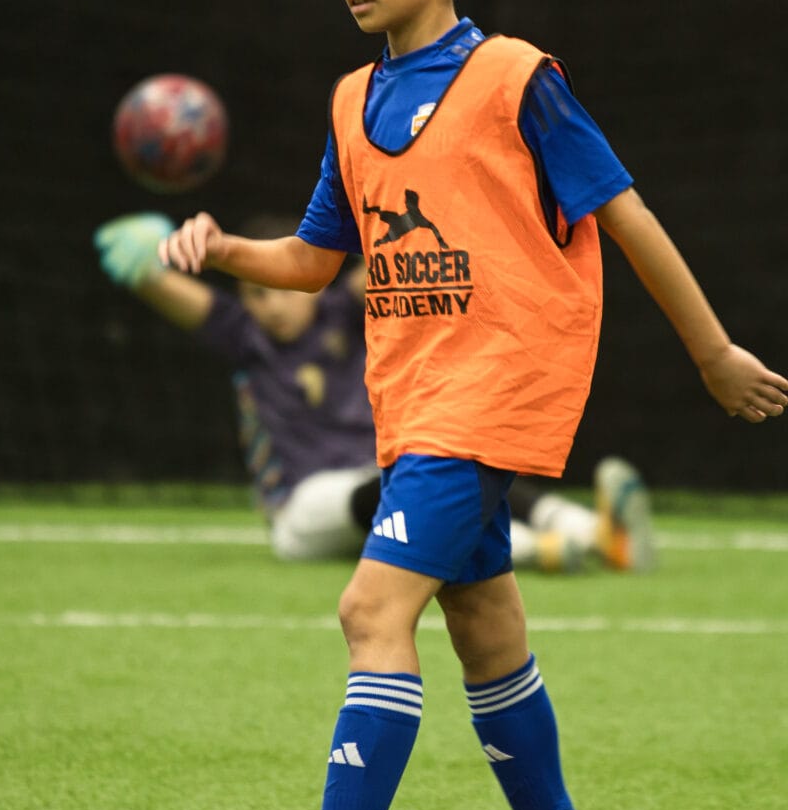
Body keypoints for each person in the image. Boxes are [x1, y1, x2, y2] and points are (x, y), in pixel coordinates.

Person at [160, 0, 788, 810]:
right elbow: (313, 260)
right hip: (413, 398)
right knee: (484, 624)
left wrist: (713, 351)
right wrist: (222, 251)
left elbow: (627, 215)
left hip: (494, 389)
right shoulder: (353, 98)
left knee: (369, 610)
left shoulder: (515, 78)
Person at [93, 216, 658, 571]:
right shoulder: (245, 337)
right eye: (255, 294)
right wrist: (150, 258)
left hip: (388, 480)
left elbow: (412, 255)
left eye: (280, 289)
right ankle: (541, 551)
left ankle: (598, 534)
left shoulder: (344, 309)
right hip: (303, 514)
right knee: (399, 487)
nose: (271, 305)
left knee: (457, 467)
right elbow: (166, 287)